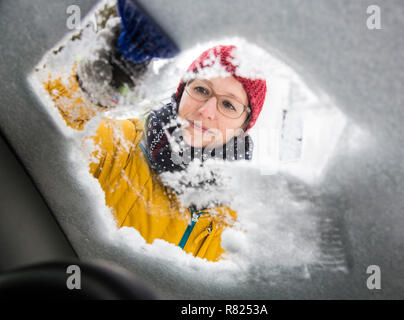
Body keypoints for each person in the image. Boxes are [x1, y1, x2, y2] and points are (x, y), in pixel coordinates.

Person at [43, 44, 267, 262]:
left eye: (228, 105)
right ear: (182, 92)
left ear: (244, 125)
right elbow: (41, 124)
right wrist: (87, 88)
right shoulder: (119, 146)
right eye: (201, 89)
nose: (206, 111)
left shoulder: (244, 221)